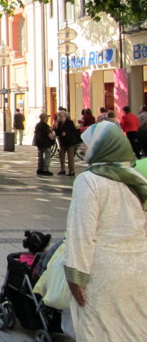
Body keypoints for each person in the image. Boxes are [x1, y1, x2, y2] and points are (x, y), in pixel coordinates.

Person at [64, 121, 147, 341]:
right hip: (139, 272)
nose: (83, 149)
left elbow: (81, 233)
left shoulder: (89, 181)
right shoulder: (137, 180)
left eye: (88, 144)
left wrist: (75, 275)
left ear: (103, 147)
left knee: (100, 332)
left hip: (103, 276)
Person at [54, 110, 80, 176]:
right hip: (62, 142)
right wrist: (55, 127)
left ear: (65, 116)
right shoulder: (59, 123)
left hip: (69, 142)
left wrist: (66, 133)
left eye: (61, 116)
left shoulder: (70, 122)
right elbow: (57, 133)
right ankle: (62, 170)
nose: (60, 118)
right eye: (59, 116)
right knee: (61, 156)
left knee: (70, 157)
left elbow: (74, 132)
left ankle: (71, 171)